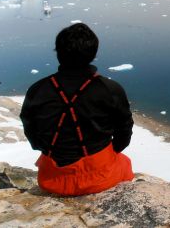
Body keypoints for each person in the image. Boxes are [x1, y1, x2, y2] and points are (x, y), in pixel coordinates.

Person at [20, 23, 134, 196]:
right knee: (124, 163)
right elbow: (124, 130)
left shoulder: (38, 89)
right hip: (99, 177)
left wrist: (46, 149)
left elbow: (30, 126)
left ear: (58, 53)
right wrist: (112, 150)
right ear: (93, 54)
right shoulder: (109, 89)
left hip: (52, 176)